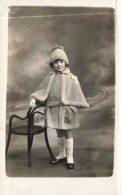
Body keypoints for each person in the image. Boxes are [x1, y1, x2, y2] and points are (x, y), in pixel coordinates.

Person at [30, 44, 89, 169]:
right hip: (54, 108)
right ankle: (62, 153)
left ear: (65, 62)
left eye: (61, 61)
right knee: (58, 131)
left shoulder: (71, 77)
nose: (59, 64)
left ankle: (70, 156)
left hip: (66, 109)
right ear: (52, 64)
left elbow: (76, 92)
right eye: (56, 62)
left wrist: (73, 106)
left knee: (67, 131)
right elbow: (43, 90)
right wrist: (35, 99)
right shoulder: (50, 77)